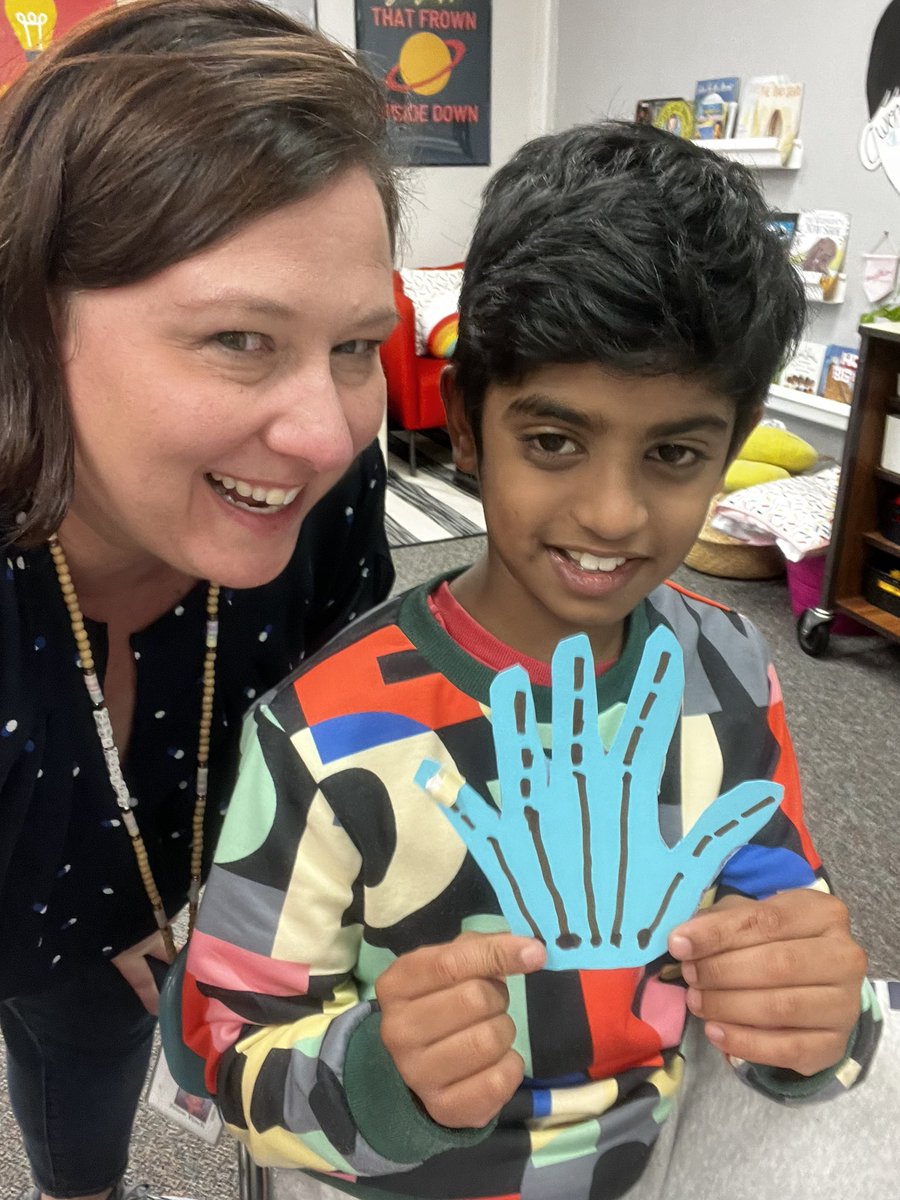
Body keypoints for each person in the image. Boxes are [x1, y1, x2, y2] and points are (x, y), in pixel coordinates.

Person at [183, 122, 881, 1200]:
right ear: (465, 423)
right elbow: (226, 1045)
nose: (610, 512)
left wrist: (817, 1018)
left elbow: (779, 932)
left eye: (675, 454)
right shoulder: (322, 732)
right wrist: (383, 1071)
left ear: (733, 443)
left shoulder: (734, 666)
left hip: (646, 1159)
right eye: (554, 441)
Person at [0, 2, 402, 1198]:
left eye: (358, 345)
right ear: (29, 322)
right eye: (239, 338)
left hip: (175, 911)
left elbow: (337, 724)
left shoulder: (323, 494)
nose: (325, 433)